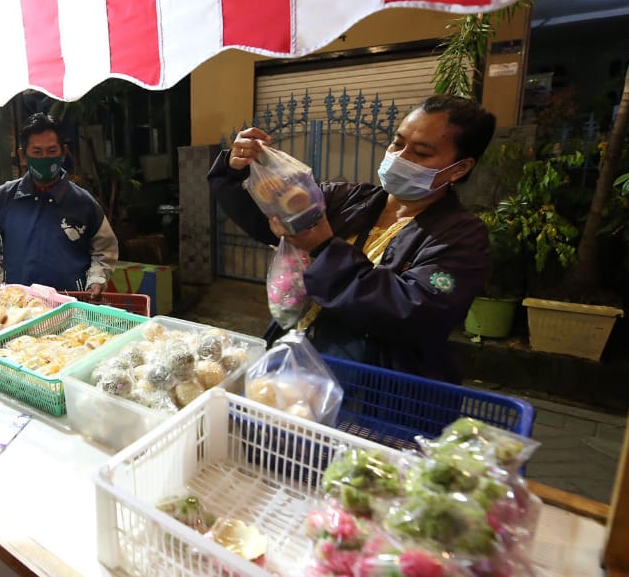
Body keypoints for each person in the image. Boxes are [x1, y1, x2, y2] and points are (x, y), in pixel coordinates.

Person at [209, 95, 495, 383]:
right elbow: (267, 221)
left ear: (460, 168)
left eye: (421, 153)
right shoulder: (347, 199)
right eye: (398, 143)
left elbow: (413, 312)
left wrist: (323, 248)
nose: (400, 157)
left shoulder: (462, 237)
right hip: (294, 360)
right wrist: (237, 172)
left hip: (373, 386)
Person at [0, 113, 118, 297]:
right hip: (21, 305)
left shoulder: (83, 202)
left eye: (52, 151)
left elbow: (104, 248)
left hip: (71, 303)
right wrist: (1, 279)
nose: (45, 158)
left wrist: (97, 280)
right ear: (23, 156)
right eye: (37, 152)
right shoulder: (2, 199)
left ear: (63, 153)